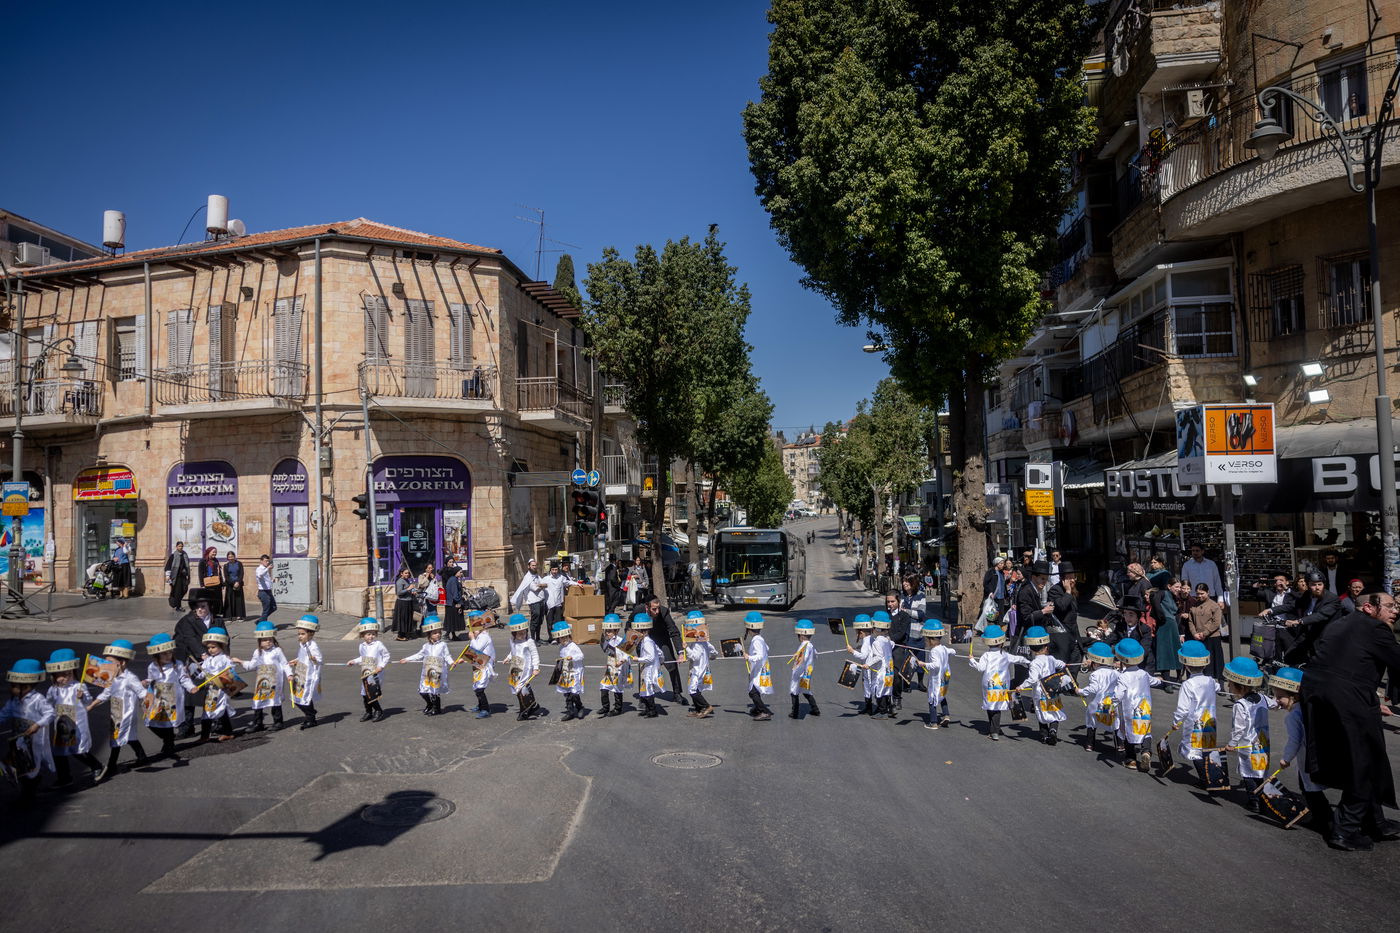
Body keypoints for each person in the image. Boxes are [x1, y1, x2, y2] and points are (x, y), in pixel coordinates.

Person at [1302, 592, 1400, 851]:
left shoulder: (1340, 623)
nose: (1395, 611)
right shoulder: (1377, 628)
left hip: (1318, 693)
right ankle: (1344, 828)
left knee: (1354, 756)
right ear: (1369, 607)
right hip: (1346, 698)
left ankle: (1376, 822)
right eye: (1390, 606)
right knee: (1364, 760)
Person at [1271, 666, 1332, 837]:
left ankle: (1324, 820)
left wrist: (1286, 758)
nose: (1277, 701)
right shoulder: (1307, 709)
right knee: (1310, 789)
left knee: (1310, 791)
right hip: (1314, 755)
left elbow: (1294, 740)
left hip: (1305, 759)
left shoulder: (1293, 716)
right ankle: (1323, 817)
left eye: (1280, 697)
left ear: (1294, 695)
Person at [86, 640, 149, 779]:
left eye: (109, 662)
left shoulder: (130, 678)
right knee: (127, 736)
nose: (105, 665)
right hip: (115, 712)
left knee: (117, 737)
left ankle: (112, 765)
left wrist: (146, 706)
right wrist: (91, 705)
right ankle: (142, 757)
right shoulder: (111, 677)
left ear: (121, 663)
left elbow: (142, 693)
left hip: (127, 713)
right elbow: (106, 694)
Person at [44, 649, 102, 787]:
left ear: (73, 672)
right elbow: (48, 704)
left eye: (68, 673)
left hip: (77, 722)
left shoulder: (79, 686)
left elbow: (88, 701)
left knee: (78, 749)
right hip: (61, 723)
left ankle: (97, 766)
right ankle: (64, 777)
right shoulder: (53, 689)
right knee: (59, 751)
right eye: (61, 675)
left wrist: (83, 696)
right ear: (54, 675)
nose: (65, 677)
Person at [1223, 657, 1271, 812]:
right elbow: (1275, 704)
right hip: (1263, 744)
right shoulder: (1263, 698)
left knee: (1248, 774)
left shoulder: (1240, 705)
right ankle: (1263, 799)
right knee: (1259, 773)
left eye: (1230, 683)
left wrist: (1232, 744)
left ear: (1239, 687)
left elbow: (1239, 728)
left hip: (1247, 745)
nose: (1228, 685)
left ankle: (1254, 801)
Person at [2, 659, 55, 797]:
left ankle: (30, 790)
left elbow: (50, 713)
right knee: (19, 765)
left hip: (34, 740)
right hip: (18, 740)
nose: (11, 689)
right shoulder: (13, 701)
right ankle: (29, 787)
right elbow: (4, 714)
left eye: (14, 686)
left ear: (26, 687)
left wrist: (38, 725)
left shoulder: (38, 699)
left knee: (32, 764)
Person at [1170, 640, 1220, 787]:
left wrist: (1176, 722)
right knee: (1206, 748)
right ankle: (1212, 776)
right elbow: (1217, 687)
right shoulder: (1210, 681)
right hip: (1210, 721)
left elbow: (1183, 708)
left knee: (1194, 750)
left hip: (1195, 723)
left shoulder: (1188, 685)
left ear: (1186, 665)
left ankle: (1205, 779)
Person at [969, 623, 1029, 740]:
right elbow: (1018, 659)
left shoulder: (986, 655)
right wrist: (1028, 661)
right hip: (1002, 685)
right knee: (997, 706)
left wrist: (972, 661)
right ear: (1001, 641)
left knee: (990, 705)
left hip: (989, 684)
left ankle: (994, 730)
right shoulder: (1005, 655)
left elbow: (980, 668)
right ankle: (995, 729)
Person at [144, 632, 197, 759]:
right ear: (157, 655)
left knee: (168, 722)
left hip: (173, 698)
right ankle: (168, 739)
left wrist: (191, 687)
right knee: (151, 722)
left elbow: (184, 678)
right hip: (159, 698)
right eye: (164, 653)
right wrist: (146, 683)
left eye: (169, 652)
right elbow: (151, 680)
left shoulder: (177, 664)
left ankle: (169, 744)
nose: (168, 655)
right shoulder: (152, 666)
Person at [231, 621, 288, 732]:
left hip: (275, 681)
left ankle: (278, 722)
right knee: (258, 701)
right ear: (259, 641)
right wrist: (240, 661)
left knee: (274, 701)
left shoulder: (277, 651)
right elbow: (251, 665)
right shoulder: (257, 652)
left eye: (270, 639)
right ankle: (258, 723)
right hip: (262, 681)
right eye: (265, 640)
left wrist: (289, 674)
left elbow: (285, 663)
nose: (268, 642)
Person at [1113, 637, 1159, 772]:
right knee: (1145, 731)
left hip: (1130, 710)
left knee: (1129, 733)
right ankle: (1146, 751)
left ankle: (1131, 759)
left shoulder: (1123, 676)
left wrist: (1112, 704)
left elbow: (1119, 694)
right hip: (1144, 708)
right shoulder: (1144, 674)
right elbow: (1154, 681)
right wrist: (1160, 680)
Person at [173, 598, 217, 736]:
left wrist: (225, 656)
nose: (200, 610)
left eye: (203, 606)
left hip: (215, 661)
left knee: (214, 693)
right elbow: (188, 639)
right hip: (194, 661)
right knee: (190, 694)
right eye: (197, 607)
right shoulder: (187, 621)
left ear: (209, 606)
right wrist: (202, 654)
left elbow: (224, 639)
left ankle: (215, 723)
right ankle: (187, 726)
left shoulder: (218, 621)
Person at [1281, 571, 1343, 665]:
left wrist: (1299, 621)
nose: (1317, 587)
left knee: (1320, 664)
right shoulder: (1307, 595)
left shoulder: (1332, 599)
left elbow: (1320, 615)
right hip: (1307, 633)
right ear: (1308, 585)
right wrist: (1270, 610)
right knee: (1290, 657)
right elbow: (1292, 605)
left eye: (1320, 584)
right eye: (1313, 585)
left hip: (1323, 636)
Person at [1020, 625, 1068, 745]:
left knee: (1041, 713)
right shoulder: (1051, 658)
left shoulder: (1035, 663)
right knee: (1054, 711)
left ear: (1031, 648)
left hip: (1040, 692)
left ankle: (1044, 735)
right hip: (1052, 691)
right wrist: (1064, 664)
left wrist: (1021, 686)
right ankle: (1053, 731)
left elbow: (1032, 679)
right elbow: (1060, 664)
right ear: (1046, 646)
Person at [400, 616, 454, 716]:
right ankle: (429, 704)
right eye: (434, 633)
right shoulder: (426, 646)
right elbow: (419, 655)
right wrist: (407, 659)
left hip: (437, 671)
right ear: (429, 634)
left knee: (434, 691)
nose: (437, 635)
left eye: (439, 632)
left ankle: (436, 708)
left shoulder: (443, 645)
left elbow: (447, 656)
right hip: (427, 671)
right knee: (423, 691)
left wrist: (451, 662)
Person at [641, 594, 686, 706]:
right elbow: (629, 627)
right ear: (647, 607)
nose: (657, 611)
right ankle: (643, 697)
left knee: (672, 664)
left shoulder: (664, 611)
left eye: (658, 608)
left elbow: (673, 631)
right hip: (645, 640)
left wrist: (680, 652)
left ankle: (677, 693)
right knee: (643, 668)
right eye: (654, 609)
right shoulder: (638, 611)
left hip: (662, 639)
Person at [192, 627, 236, 742]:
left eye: (213, 647)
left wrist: (219, 677)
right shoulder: (208, 660)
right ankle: (205, 735)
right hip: (210, 690)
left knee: (220, 709)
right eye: (209, 647)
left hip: (220, 689)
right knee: (207, 710)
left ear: (221, 646)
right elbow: (203, 672)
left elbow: (230, 672)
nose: (210, 650)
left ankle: (227, 732)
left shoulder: (225, 659)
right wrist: (195, 674)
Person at [346, 618, 390, 723]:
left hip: (376, 673)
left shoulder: (378, 644)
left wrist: (381, 666)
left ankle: (379, 711)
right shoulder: (362, 646)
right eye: (368, 634)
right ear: (362, 635)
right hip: (365, 672)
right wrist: (354, 661)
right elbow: (363, 658)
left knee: (371, 693)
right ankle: (368, 712)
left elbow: (386, 655)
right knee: (364, 693)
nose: (371, 636)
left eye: (373, 634)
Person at [913, 619, 954, 729]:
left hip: (936, 678)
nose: (925, 641)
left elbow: (936, 665)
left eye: (926, 639)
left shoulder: (934, 651)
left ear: (931, 639)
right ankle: (946, 715)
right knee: (942, 695)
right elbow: (953, 651)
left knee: (932, 698)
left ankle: (933, 722)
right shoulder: (943, 648)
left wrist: (924, 664)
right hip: (944, 677)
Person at [1080, 642, 1119, 754]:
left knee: (1091, 722)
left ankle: (1089, 744)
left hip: (1095, 704)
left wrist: (1081, 691)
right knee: (1115, 723)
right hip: (1110, 703)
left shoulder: (1095, 674)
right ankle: (1120, 745)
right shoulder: (1115, 673)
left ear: (1095, 663)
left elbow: (1093, 688)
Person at [286, 614, 323, 729]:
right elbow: (302, 657)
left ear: (311, 633)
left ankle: (311, 718)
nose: (300, 636)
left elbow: (320, 660)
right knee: (296, 698)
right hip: (300, 674)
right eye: (299, 634)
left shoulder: (313, 646)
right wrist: (296, 661)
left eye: (303, 634)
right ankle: (311, 713)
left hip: (309, 676)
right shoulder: (302, 645)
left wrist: (315, 659)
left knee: (305, 698)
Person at [505, 612, 543, 721]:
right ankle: (533, 705)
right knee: (517, 686)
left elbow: (535, 654)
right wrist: (508, 657)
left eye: (523, 632)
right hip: (515, 666)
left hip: (525, 667)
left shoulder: (529, 642)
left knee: (519, 687)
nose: (522, 635)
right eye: (519, 633)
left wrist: (535, 667)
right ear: (514, 633)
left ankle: (524, 709)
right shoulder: (513, 640)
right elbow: (513, 651)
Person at [1046, 560, 1082, 664]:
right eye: (1069, 577)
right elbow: (1061, 606)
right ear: (1062, 578)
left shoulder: (1072, 591)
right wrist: (1068, 592)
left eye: (1073, 577)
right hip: (1062, 636)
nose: (1072, 580)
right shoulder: (1055, 590)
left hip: (1074, 634)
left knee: (1076, 663)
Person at [1186, 583, 1225, 678]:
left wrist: (1204, 633)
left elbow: (1216, 622)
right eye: (1198, 593)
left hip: (1212, 638)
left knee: (1215, 663)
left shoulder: (1214, 605)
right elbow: (1190, 621)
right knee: (1201, 663)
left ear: (1208, 592)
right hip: (1198, 638)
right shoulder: (1194, 605)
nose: (1200, 596)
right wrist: (1194, 633)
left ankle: (1220, 684)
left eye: (1202, 593)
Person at [684, 612, 718, 719]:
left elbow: (695, 657)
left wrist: (686, 648)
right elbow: (714, 652)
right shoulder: (704, 641)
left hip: (698, 669)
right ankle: (699, 709)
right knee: (696, 688)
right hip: (703, 668)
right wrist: (712, 656)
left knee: (692, 689)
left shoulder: (697, 643)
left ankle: (706, 706)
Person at [741, 611, 774, 721]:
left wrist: (749, 657)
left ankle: (765, 711)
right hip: (760, 668)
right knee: (756, 690)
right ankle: (758, 709)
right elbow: (767, 649)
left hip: (759, 670)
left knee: (753, 692)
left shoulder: (756, 641)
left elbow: (759, 655)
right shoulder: (760, 639)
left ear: (749, 628)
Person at [1150, 575, 1182, 687]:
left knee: (1175, 651)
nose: (1178, 589)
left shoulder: (1175, 598)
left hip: (1173, 627)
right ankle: (1167, 682)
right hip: (1164, 626)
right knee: (1164, 653)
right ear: (1169, 586)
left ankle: (1178, 678)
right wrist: (1161, 616)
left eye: (1180, 587)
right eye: (1176, 587)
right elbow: (1154, 600)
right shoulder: (1163, 593)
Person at [886, 592, 916, 706]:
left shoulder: (904, 616)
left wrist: (891, 639)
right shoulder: (885, 615)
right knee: (885, 673)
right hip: (885, 646)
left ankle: (897, 697)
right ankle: (886, 699)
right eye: (888, 602)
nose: (890, 604)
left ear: (898, 601)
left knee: (897, 673)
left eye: (892, 601)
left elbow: (902, 633)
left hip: (898, 646)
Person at [552, 621, 587, 721]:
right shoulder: (561, 648)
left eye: (565, 637)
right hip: (566, 672)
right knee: (567, 693)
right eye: (561, 638)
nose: (563, 640)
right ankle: (570, 711)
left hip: (575, 672)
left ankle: (580, 707)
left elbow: (581, 656)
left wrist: (572, 657)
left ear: (569, 636)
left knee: (574, 693)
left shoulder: (573, 646)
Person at [465, 611, 496, 719]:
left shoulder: (484, 636)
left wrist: (472, 638)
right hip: (479, 663)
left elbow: (477, 648)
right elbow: (473, 651)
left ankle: (485, 709)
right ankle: (480, 705)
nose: (473, 631)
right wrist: (463, 659)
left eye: (475, 628)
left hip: (486, 665)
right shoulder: (479, 636)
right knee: (476, 685)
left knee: (479, 688)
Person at [599, 613, 630, 718]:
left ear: (616, 630)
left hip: (619, 669)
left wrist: (621, 662)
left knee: (617, 688)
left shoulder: (622, 641)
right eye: (606, 630)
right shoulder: (607, 641)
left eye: (610, 631)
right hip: (610, 668)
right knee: (603, 686)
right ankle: (605, 707)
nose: (607, 633)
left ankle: (618, 708)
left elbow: (627, 655)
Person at [788, 618, 819, 719]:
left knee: (794, 691)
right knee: (806, 690)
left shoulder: (804, 646)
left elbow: (803, 658)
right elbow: (816, 655)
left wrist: (797, 657)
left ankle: (795, 713)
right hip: (808, 671)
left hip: (799, 672)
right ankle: (815, 709)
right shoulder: (810, 645)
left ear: (801, 635)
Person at [511, 558, 548, 643]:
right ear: (529, 566)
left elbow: (545, 584)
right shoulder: (527, 577)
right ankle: (533, 639)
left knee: (540, 620)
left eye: (535, 565)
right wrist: (542, 585)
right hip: (533, 602)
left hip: (541, 600)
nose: (534, 567)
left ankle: (538, 638)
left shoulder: (536, 575)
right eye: (533, 565)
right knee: (535, 620)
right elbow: (535, 588)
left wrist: (541, 585)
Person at [195, 547, 224, 619]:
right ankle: (209, 614)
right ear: (209, 552)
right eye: (213, 552)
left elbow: (219, 572)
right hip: (207, 584)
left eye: (215, 552)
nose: (214, 553)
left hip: (217, 583)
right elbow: (200, 573)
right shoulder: (203, 561)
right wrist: (202, 584)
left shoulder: (216, 560)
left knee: (217, 599)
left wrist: (222, 582)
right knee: (209, 600)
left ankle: (216, 614)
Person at [543, 562, 570, 639]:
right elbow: (539, 585)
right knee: (550, 622)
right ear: (550, 570)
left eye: (556, 570)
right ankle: (551, 638)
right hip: (549, 604)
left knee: (558, 622)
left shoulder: (561, 578)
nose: (554, 571)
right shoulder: (546, 579)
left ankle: (558, 638)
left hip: (558, 604)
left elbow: (568, 582)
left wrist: (577, 584)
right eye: (553, 570)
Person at [392, 567, 418, 641]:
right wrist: (408, 589)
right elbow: (399, 592)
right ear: (401, 573)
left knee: (407, 619)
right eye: (406, 573)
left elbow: (408, 589)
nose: (407, 574)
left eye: (408, 573)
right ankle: (400, 635)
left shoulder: (406, 580)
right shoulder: (400, 581)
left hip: (408, 601)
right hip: (402, 603)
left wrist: (413, 591)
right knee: (402, 619)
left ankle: (406, 634)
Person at [164, 541, 190, 611]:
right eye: (179, 546)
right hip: (176, 577)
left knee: (185, 589)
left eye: (182, 546)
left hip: (183, 576)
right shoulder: (173, 556)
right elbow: (168, 566)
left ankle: (174, 601)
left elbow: (187, 565)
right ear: (176, 547)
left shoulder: (185, 555)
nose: (180, 547)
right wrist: (167, 575)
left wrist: (187, 572)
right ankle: (178, 606)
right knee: (178, 591)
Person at [444, 566, 467, 641]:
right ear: (456, 572)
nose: (461, 573)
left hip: (451, 603)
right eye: (460, 572)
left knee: (452, 620)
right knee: (452, 620)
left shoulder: (454, 579)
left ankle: (453, 635)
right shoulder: (453, 580)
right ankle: (446, 635)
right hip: (452, 603)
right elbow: (455, 594)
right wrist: (460, 601)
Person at [223, 551, 246, 622]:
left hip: (238, 584)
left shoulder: (239, 564)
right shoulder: (226, 565)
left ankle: (239, 616)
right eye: (229, 557)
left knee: (238, 600)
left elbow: (241, 573)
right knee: (229, 600)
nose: (230, 558)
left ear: (234, 556)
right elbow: (226, 576)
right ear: (227, 558)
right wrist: (233, 583)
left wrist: (238, 582)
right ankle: (229, 617)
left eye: (232, 556)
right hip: (230, 585)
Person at [255, 554, 277, 623]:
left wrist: (272, 580)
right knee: (266, 609)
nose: (267, 562)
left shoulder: (265, 569)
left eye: (268, 561)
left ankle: (260, 620)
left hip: (268, 591)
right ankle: (262, 624)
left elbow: (266, 580)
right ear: (261, 561)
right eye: (266, 561)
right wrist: (267, 568)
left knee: (274, 607)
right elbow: (260, 575)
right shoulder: (259, 569)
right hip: (263, 592)